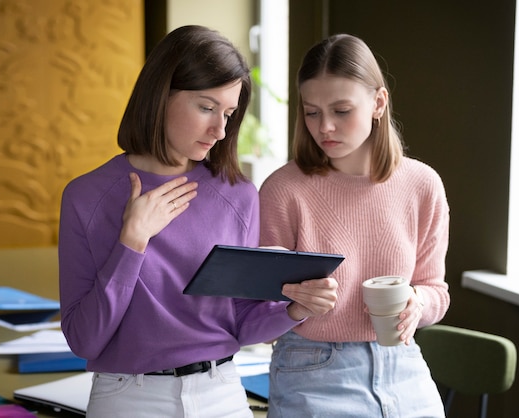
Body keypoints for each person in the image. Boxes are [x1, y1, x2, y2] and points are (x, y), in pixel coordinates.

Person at [58, 25, 338, 418]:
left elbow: (239, 323)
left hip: (220, 394)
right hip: (126, 397)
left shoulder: (238, 194)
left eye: (228, 113)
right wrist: (132, 241)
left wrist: (295, 309)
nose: (220, 130)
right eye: (206, 107)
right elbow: (84, 341)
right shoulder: (86, 196)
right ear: (160, 95)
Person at [259, 34, 450, 417]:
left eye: (341, 110)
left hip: (404, 366)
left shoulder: (422, 184)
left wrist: (418, 302)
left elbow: (436, 291)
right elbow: (258, 308)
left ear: (379, 103)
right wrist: (296, 305)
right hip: (312, 369)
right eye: (312, 112)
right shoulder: (284, 190)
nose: (325, 126)